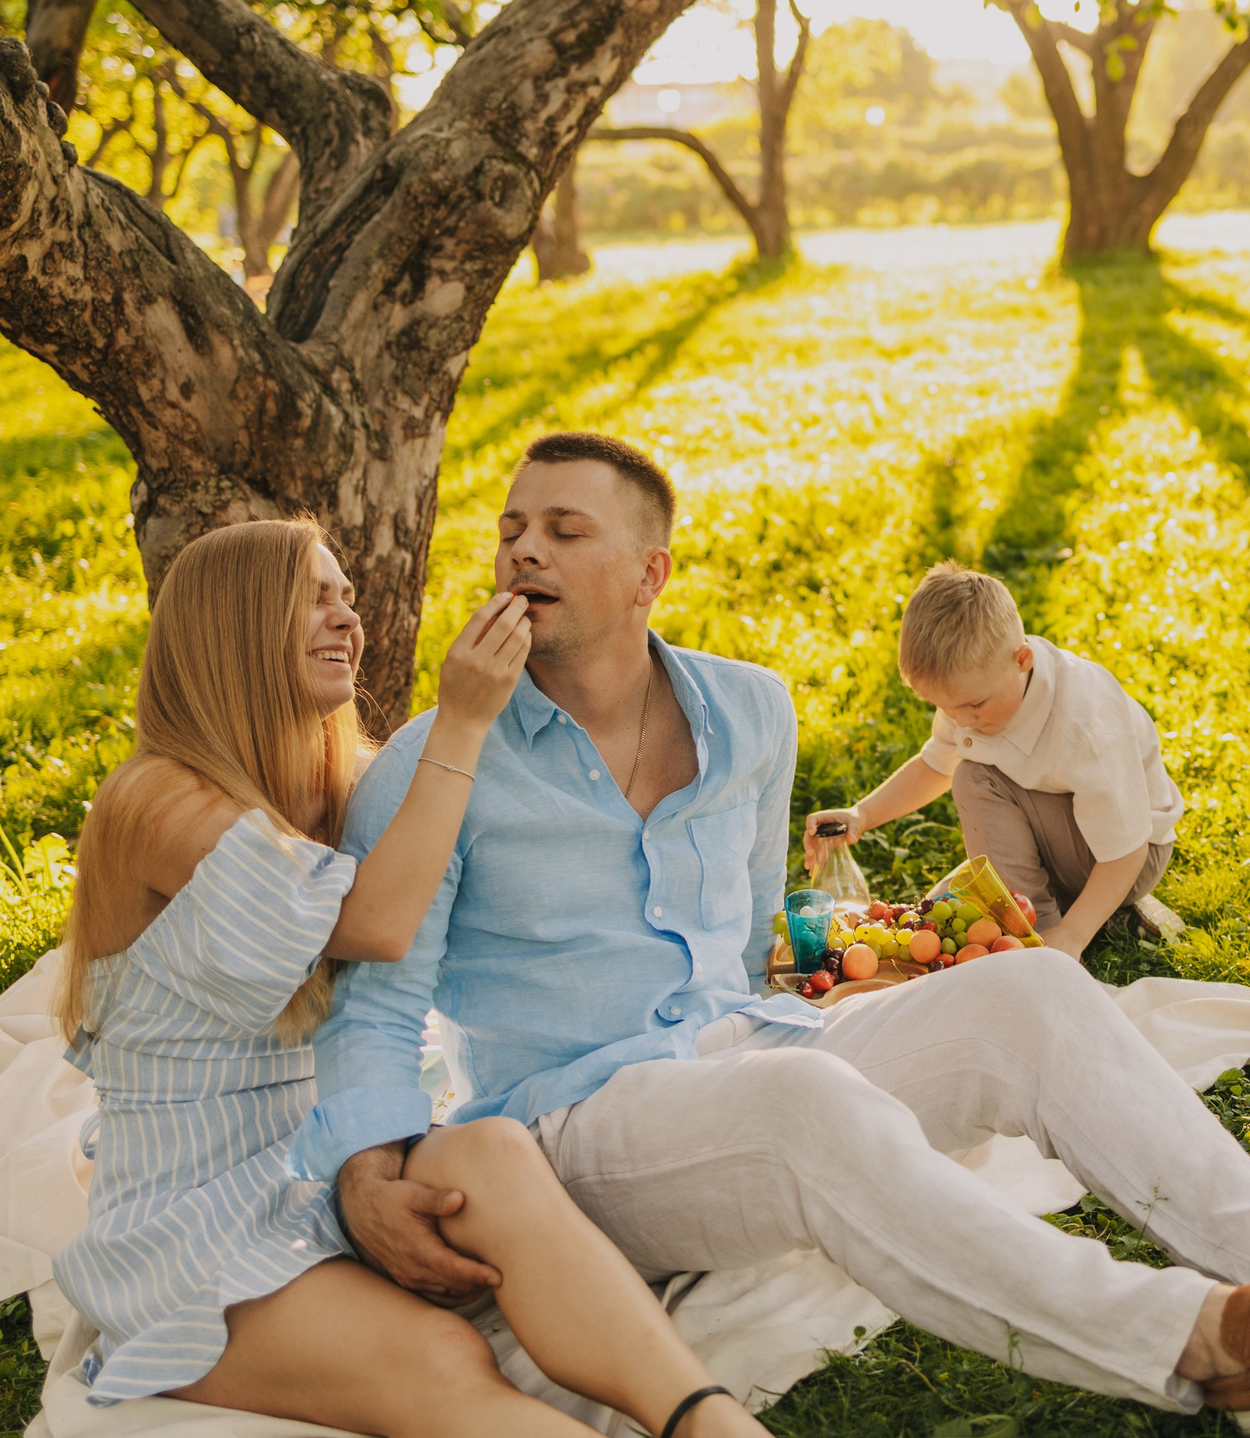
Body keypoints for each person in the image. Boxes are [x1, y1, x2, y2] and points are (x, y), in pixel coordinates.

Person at [300, 432, 1250, 1433]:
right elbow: (375, 997)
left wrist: (865, 980)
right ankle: (1212, 1343)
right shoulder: (440, 753)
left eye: (565, 529)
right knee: (802, 1102)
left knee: (1037, 997)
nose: (524, 549)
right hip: (575, 1126)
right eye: (512, 527)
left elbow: (741, 943)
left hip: (746, 1044)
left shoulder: (748, 710)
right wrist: (366, 1168)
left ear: (648, 572)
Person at [51, 518, 774, 1438]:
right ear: (233, 623)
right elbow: (379, 926)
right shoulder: (156, 799)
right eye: (314, 597)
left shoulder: (345, 779)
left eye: (348, 597)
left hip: (324, 1171)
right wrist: (467, 719)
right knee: (441, 1359)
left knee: (492, 1154)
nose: (347, 617)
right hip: (194, 1222)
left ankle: (704, 1420)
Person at [806, 559, 1185, 955]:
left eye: (973, 706)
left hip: (1127, 856)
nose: (961, 721)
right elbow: (936, 764)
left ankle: (1044, 930)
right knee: (945, 891)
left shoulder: (1083, 726)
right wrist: (862, 815)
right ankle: (1031, 909)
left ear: (1023, 660)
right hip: (1070, 834)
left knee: (975, 776)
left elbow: (1127, 850)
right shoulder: (975, 690)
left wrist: (1073, 935)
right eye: (947, 708)